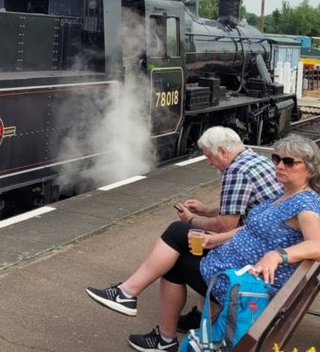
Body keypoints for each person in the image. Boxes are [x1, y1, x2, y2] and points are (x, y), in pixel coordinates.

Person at [87, 134, 320, 352]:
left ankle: (153, 325)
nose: (278, 165)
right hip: (234, 268)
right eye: (276, 158)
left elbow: (319, 247)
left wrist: (278, 255)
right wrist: (215, 240)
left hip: (244, 286)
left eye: (288, 162)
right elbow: (249, 228)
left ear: (310, 170)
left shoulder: (304, 204)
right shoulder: (285, 194)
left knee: (175, 252)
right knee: (179, 239)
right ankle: (134, 301)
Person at [86, 126, 281, 330]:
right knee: (192, 243)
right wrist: (206, 210)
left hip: (254, 265)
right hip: (261, 250)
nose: (209, 163)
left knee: (178, 233)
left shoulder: (236, 170)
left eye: (209, 157)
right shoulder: (255, 160)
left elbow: (226, 224)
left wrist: (191, 220)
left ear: (223, 151)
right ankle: (192, 314)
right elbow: (240, 207)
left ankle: (128, 294)